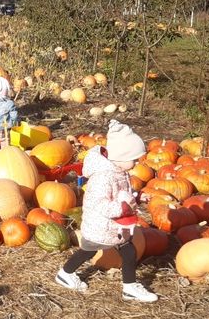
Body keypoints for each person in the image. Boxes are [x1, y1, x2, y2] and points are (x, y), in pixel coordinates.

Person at [53, 120, 158, 303]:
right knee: (87, 251)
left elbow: (121, 194)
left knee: (129, 252)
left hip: (115, 226)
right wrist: (122, 208)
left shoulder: (119, 171)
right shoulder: (103, 177)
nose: (136, 163)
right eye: (133, 159)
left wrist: (137, 197)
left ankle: (129, 287)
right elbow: (99, 204)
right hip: (100, 226)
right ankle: (65, 273)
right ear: (120, 156)